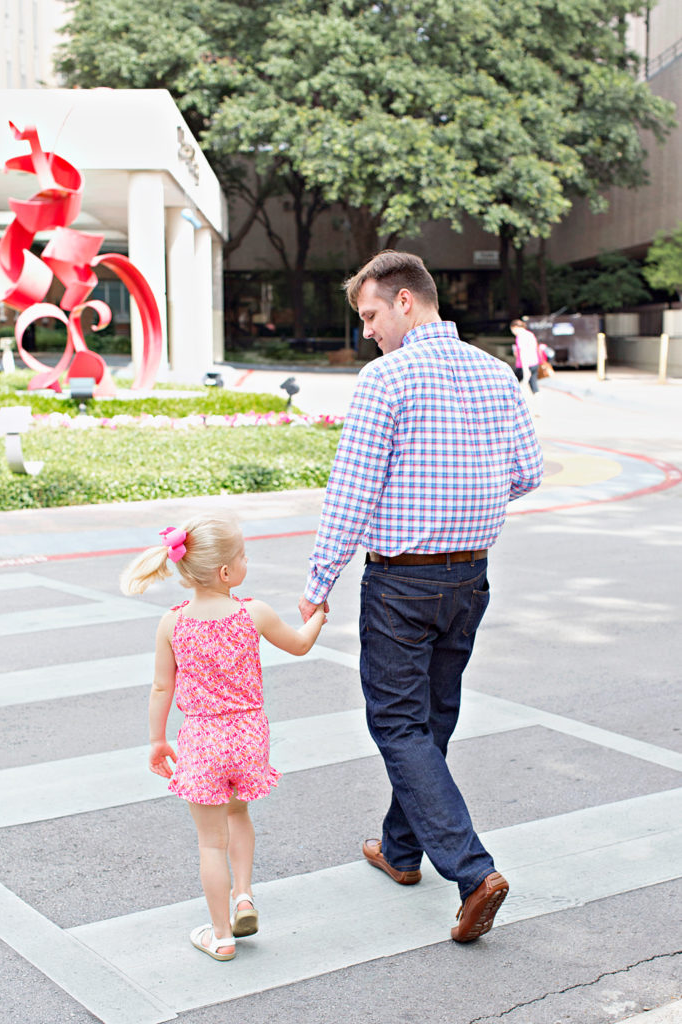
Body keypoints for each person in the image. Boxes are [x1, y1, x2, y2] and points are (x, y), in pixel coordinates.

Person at [299, 251, 543, 944]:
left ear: (406, 301)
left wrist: (318, 584)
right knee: (431, 716)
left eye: (371, 315)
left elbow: (350, 495)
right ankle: (399, 849)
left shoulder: (386, 378)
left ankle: (471, 871)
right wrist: (466, 500)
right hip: (469, 577)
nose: (367, 331)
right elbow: (527, 473)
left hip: (402, 582)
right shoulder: (496, 375)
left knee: (399, 725)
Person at [121, 511, 326, 961]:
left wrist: (157, 741)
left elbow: (161, 687)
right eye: (242, 555)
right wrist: (318, 617)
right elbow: (300, 644)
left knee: (210, 841)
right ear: (226, 571)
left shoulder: (172, 624)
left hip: (203, 741)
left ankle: (221, 936)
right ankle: (244, 896)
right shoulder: (253, 613)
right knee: (239, 815)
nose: (246, 560)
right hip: (249, 736)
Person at [510, 318, 543, 406]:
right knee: (533, 384)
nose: (513, 332)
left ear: (515, 327)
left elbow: (523, 353)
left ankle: (512, 403)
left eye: (512, 330)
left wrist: (525, 369)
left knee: (511, 382)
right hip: (534, 363)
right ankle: (539, 404)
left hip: (523, 365)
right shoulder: (530, 334)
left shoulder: (520, 336)